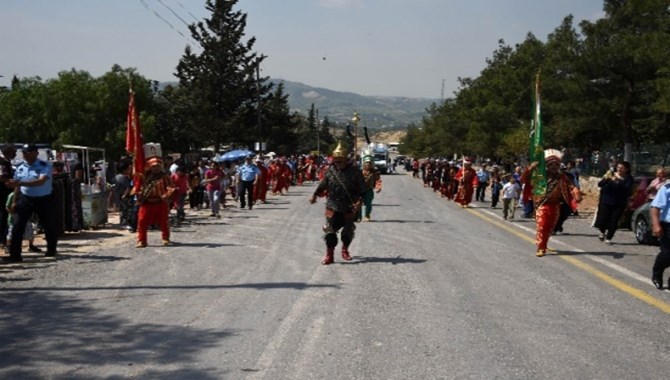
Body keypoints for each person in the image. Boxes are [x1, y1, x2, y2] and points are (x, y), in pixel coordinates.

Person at [309, 142, 366, 265]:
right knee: (329, 231)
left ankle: (345, 249)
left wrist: (359, 202)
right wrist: (315, 195)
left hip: (349, 207)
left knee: (347, 232)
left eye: (340, 161)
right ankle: (329, 255)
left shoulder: (355, 172)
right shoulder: (330, 171)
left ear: (345, 160)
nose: (338, 163)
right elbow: (323, 185)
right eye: (336, 161)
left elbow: (363, 189)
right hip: (332, 206)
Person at [3, 144, 58, 262]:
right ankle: (15, 255)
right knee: (17, 226)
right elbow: (17, 186)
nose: (25, 155)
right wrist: (14, 201)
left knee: (49, 225)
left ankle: (51, 249)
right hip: (26, 198)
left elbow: (41, 181)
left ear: (36, 153)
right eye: (23, 153)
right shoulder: (20, 167)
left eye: (28, 152)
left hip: (44, 198)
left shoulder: (45, 166)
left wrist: (20, 183)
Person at [522, 149, 581, 257]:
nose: (553, 167)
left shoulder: (562, 177)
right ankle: (541, 248)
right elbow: (524, 179)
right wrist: (530, 168)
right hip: (542, 204)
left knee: (550, 227)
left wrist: (576, 192)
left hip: (556, 205)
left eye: (555, 165)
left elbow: (571, 187)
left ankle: (543, 243)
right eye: (551, 165)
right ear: (547, 166)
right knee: (542, 226)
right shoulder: (540, 176)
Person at [135, 157, 175, 248]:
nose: (155, 168)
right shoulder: (145, 176)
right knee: (142, 221)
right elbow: (139, 187)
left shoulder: (164, 176)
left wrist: (165, 195)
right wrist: (140, 193)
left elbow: (171, 188)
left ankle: (165, 238)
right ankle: (142, 240)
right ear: (149, 167)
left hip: (160, 202)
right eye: (153, 166)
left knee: (163, 221)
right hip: (147, 202)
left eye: (157, 166)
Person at [594, 161, 633, 244]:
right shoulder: (610, 174)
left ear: (627, 169)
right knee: (602, 219)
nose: (619, 169)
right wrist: (607, 179)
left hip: (619, 202)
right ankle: (602, 231)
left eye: (622, 168)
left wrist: (617, 181)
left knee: (614, 220)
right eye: (618, 167)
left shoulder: (629, 179)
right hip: (606, 200)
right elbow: (600, 184)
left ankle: (609, 237)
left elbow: (627, 190)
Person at [650, 181, 670, 289]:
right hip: (668, 225)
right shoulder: (667, 188)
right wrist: (656, 225)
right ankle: (657, 273)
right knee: (667, 253)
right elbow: (655, 207)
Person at [0, 144, 17, 250]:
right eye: (13, 152)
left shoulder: (6, 161)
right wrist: (10, 181)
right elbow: (1, 177)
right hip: (2, 193)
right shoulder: (2, 161)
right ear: (7, 151)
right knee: (3, 217)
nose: (15, 154)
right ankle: (2, 240)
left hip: (5, 193)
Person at [358, 155, 382, 222]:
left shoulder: (374, 172)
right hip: (360, 190)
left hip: (369, 190)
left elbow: (378, 180)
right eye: (366, 162)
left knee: (368, 203)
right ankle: (358, 216)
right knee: (358, 203)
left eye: (369, 163)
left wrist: (378, 187)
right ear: (364, 163)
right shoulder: (359, 171)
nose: (368, 164)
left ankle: (367, 215)